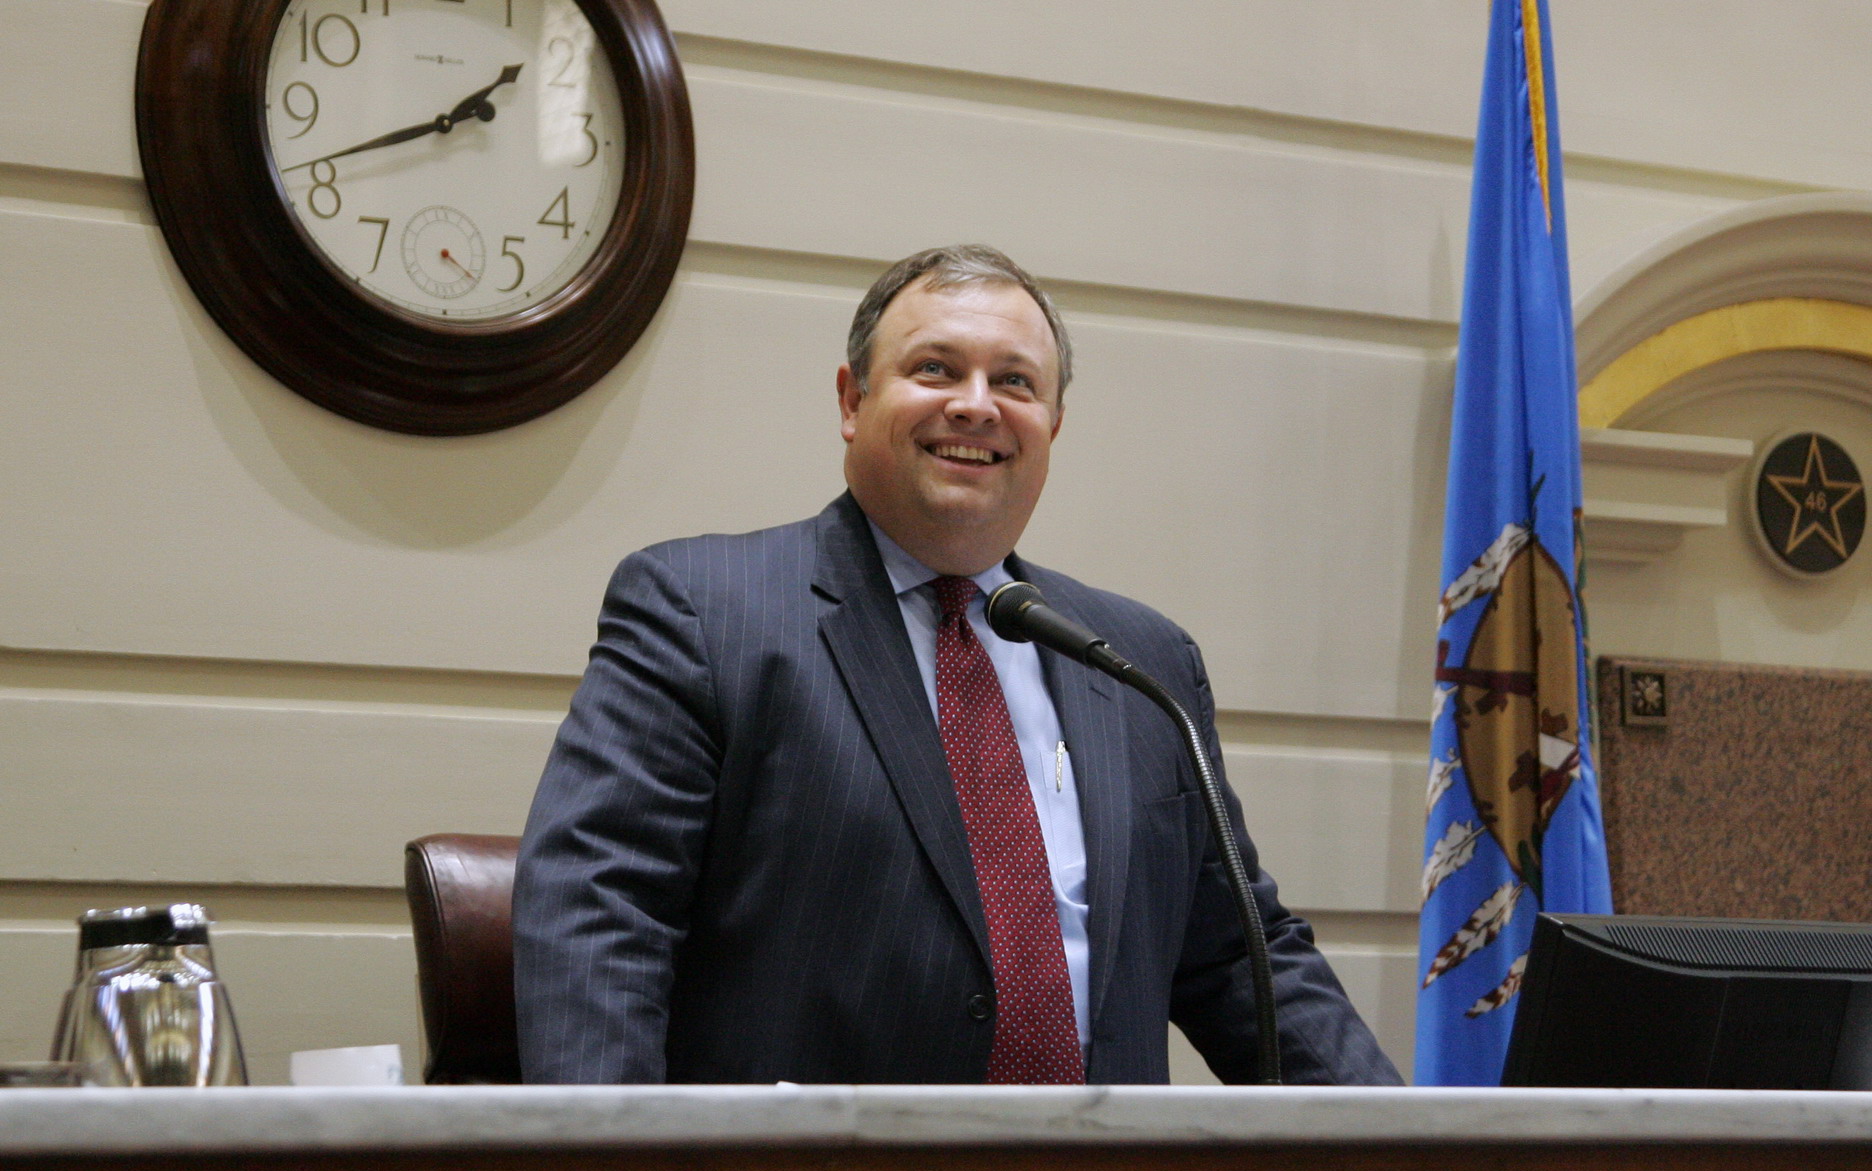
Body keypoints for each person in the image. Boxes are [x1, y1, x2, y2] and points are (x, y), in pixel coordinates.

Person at [514, 245, 1400, 1085]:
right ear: (851, 400)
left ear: (1052, 424)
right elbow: (599, 912)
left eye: (1014, 381)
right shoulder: (703, 611)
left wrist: (1424, 1159)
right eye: (936, 369)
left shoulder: (1142, 660)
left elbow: (1242, 955)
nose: (977, 405)